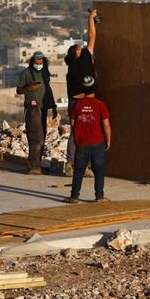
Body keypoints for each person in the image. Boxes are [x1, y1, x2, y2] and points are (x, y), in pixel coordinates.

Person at [64, 75, 111, 203]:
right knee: (99, 170)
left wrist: (77, 137)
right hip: (97, 142)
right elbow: (106, 124)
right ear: (95, 89)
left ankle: (74, 196)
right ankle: (99, 196)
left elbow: (73, 123)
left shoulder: (77, 105)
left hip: (82, 143)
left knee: (78, 170)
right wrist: (108, 140)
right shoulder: (101, 105)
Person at [62, 8, 98, 175]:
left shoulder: (77, 65)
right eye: (78, 48)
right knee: (82, 132)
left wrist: (91, 19)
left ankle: (77, 164)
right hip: (81, 101)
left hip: (80, 101)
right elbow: (91, 36)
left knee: (81, 132)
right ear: (76, 54)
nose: (81, 48)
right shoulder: (79, 64)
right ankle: (77, 165)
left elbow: (91, 36)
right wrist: (90, 17)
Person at [16, 51, 56, 174]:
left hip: (43, 108)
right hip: (33, 108)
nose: (39, 63)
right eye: (36, 61)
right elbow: (18, 90)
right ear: (32, 61)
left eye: (41, 61)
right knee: (35, 137)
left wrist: (53, 105)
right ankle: (33, 166)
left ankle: (37, 165)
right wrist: (29, 88)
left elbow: (47, 89)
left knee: (42, 137)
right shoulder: (26, 73)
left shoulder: (44, 72)